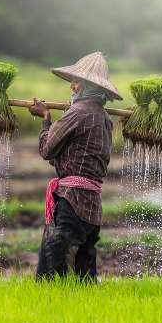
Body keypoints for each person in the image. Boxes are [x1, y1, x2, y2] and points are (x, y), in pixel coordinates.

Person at [28, 52, 123, 282]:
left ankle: (52, 311)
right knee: (84, 275)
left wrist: (45, 118)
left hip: (72, 202)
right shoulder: (103, 117)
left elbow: (46, 150)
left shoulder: (77, 113)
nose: (71, 85)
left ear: (88, 86)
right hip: (92, 208)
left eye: (76, 81)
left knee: (52, 273)